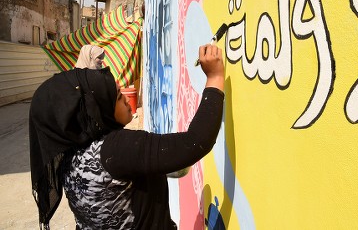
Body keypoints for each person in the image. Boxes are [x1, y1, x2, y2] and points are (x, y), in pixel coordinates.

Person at [29, 44, 225, 229]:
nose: (125, 97)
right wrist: (215, 77)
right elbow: (195, 142)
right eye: (117, 97)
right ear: (96, 112)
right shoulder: (116, 148)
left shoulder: (70, 152)